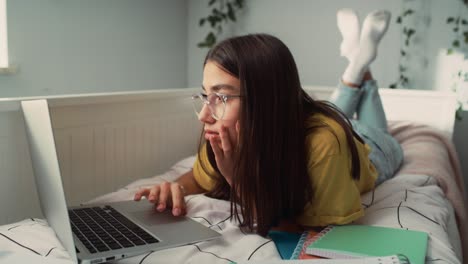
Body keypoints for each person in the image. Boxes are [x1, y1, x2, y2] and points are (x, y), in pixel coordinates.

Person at [134, 9, 403, 236]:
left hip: (372, 147)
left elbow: (319, 230)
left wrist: (235, 178)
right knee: (332, 112)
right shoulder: (224, 130)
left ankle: (359, 67)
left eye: (222, 96)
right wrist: (176, 187)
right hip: (311, 123)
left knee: (369, 128)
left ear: (265, 101)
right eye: (206, 95)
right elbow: (198, 175)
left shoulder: (325, 145)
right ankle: (358, 63)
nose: (204, 115)